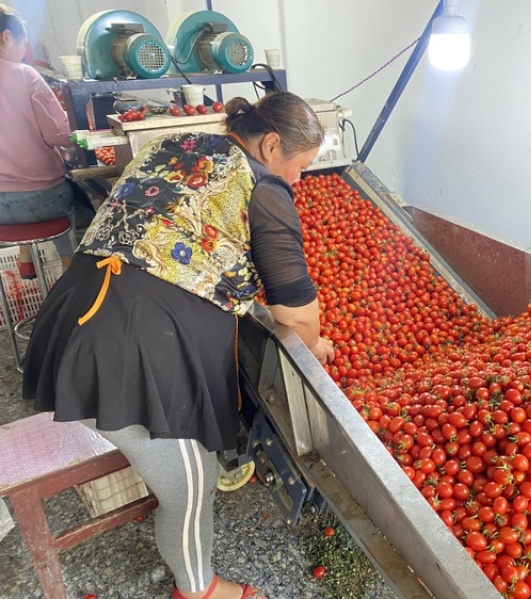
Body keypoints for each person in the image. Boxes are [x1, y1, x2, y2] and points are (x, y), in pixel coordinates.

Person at [22, 90, 335, 599]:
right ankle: (199, 590)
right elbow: (295, 309)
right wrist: (314, 346)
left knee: (186, 466)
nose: (299, 180)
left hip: (74, 314)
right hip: (128, 347)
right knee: (191, 487)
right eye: (299, 167)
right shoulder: (263, 188)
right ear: (272, 144)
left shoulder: (176, 145)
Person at [0, 5, 87, 278]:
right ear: (6, 38)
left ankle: (26, 259)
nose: (24, 47)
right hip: (40, 200)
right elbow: (57, 135)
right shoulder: (25, 75)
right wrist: (80, 137)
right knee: (80, 203)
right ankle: (68, 266)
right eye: (23, 40)